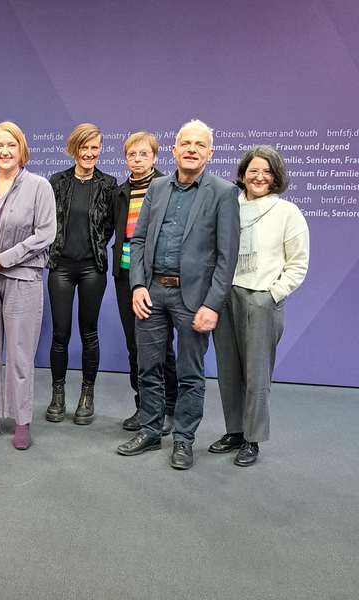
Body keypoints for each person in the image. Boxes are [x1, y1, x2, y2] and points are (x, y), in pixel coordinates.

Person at [116, 119, 239, 470]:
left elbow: (226, 257)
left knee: (189, 373)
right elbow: (136, 240)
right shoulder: (156, 188)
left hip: (194, 299)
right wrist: (138, 285)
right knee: (148, 366)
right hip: (152, 292)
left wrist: (212, 304)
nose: (192, 149)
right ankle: (151, 430)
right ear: (174, 150)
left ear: (209, 153)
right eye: (186, 143)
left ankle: (184, 438)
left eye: (200, 145)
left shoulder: (223, 192)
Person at [209, 146, 309, 466]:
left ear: (276, 177)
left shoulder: (287, 212)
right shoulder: (228, 207)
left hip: (261, 299)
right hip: (226, 297)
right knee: (228, 371)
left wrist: (273, 294)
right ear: (243, 174)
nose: (259, 177)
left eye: (267, 172)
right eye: (253, 170)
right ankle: (235, 431)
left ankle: (252, 439)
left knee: (256, 375)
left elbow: (298, 264)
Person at [0, 122, 56, 450]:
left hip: (22, 279)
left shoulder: (39, 187)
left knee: (19, 354)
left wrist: (4, 258)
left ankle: (21, 421)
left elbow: (45, 234)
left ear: (21, 149)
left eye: (11, 145)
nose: (4, 152)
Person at [44, 123, 116, 426]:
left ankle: (87, 395)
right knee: (60, 334)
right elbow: (47, 222)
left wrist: (96, 246)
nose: (89, 153)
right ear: (74, 149)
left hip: (91, 268)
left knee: (89, 332)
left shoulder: (109, 184)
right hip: (60, 266)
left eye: (94, 148)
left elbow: (110, 225)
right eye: (84, 148)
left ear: (100, 149)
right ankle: (57, 395)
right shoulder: (57, 181)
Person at [111, 132, 178, 435]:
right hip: (126, 276)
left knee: (161, 348)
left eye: (143, 154)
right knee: (135, 346)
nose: (137, 160)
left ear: (155, 157)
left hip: (156, 276)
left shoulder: (168, 187)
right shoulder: (119, 191)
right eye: (131, 155)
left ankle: (168, 408)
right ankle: (144, 406)